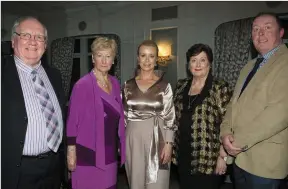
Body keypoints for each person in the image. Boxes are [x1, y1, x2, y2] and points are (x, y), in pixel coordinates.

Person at [220, 12, 288, 189]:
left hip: (265, 162)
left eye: (267, 28)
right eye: (256, 29)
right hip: (240, 159)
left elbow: (279, 113)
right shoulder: (249, 66)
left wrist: (237, 142)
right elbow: (234, 104)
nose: (260, 33)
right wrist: (225, 132)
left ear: (281, 32)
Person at [2, 16, 67, 189]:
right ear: (13, 41)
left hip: (53, 166)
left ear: (45, 45)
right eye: (26, 35)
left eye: (39, 37)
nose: (33, 41)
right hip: (17, 171)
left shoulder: (55, 75)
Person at [66, 36, 125, 189]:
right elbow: (72, 121)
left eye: (108, 56)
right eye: (100, 56)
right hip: (87, 152)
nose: (104, 61)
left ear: (113, 60)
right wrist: (71, 152)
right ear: (93, 58)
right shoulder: (82, 85)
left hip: (110, 150)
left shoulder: (115, 83)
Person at [172, 43, 231, 189]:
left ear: (209, 63)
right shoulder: (180, 86)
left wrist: (223, 156)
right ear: (188, 65)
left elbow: (229, 122)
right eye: (193, 60)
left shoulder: (219, 86)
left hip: (208, 157)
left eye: (202, 60)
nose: (197, 64)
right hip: (183, 153)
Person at [122, 40, 176, 189]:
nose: (147, 60)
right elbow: (123, 116)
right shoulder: (127, 85)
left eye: (151, 56)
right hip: (133, 140)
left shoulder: (164, 85)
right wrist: (121, 142)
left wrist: (169, 144)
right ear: (138, 59)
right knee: (136, 182)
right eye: (143, 55)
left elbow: (170, 117)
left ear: (157, 59)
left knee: (158, 183)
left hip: (158, 139)